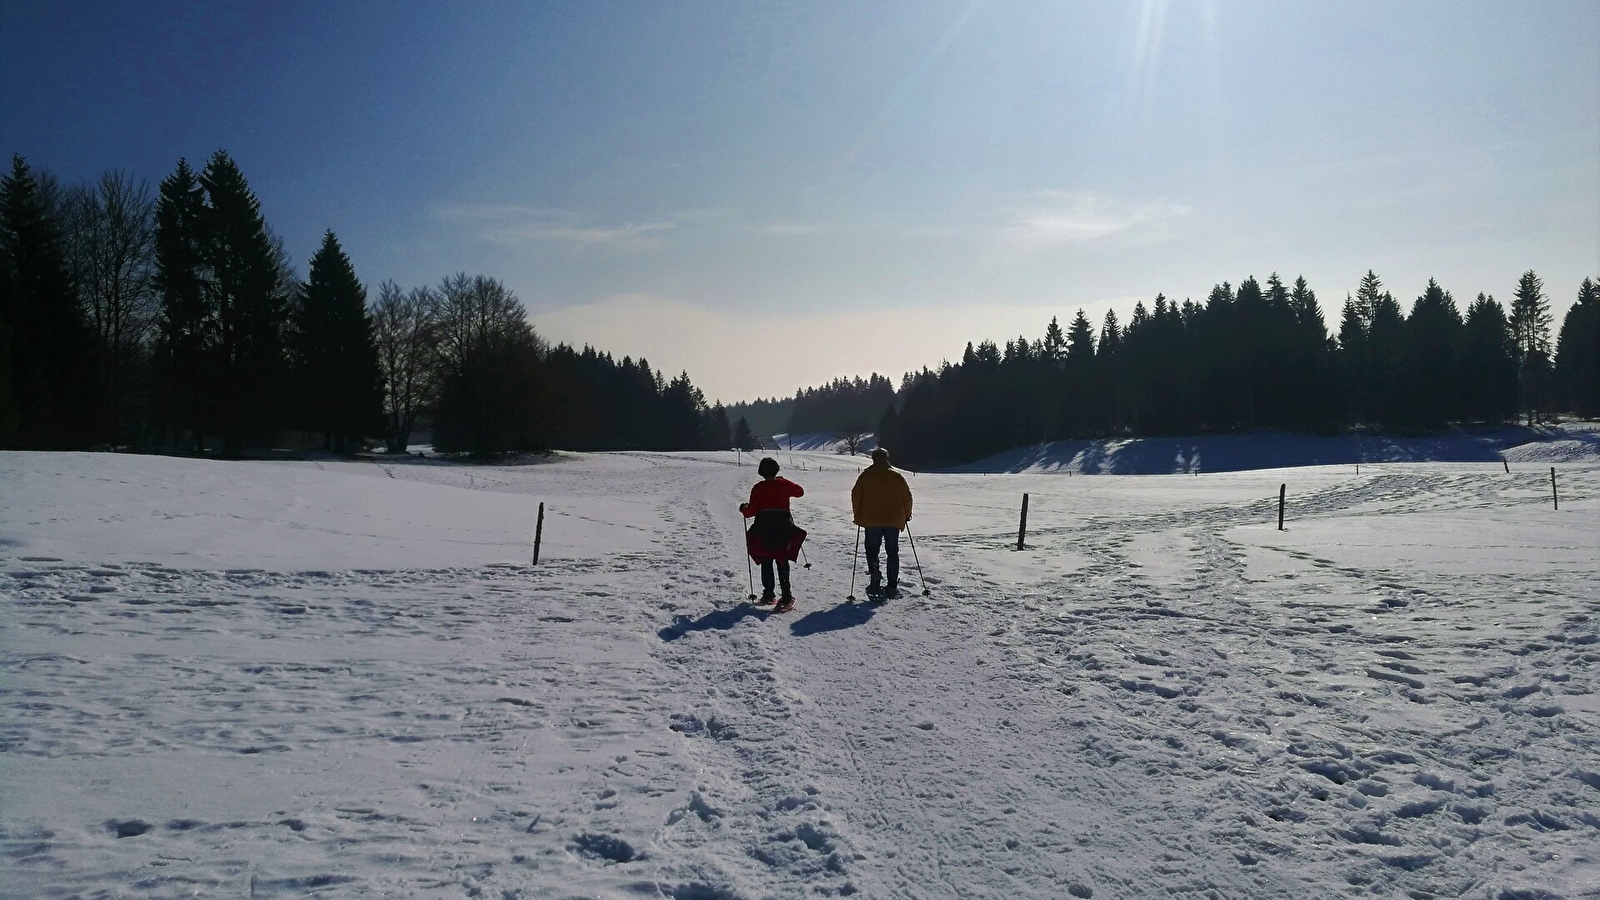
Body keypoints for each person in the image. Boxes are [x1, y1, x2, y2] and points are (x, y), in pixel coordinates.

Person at [741, 457, 806, 612]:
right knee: (782, 558)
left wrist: (743, 508)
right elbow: (800, 492)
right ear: (776, 469)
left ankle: (768, 593)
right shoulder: (783, 484)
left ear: (761, 472)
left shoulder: (758, 488)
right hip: (783, 526)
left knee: (766, 558)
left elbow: (751, 512)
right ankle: (786, 596)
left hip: (764, 526)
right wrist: (784, 482)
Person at [851, 447, 913, 596]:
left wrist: (857, 515)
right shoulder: (896, 476)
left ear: (873, 459)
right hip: (893, 520)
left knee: (872, 550)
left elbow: (856, 496)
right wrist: (907, 515)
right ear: (886, 458)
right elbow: (907, 497)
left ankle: (875, 574)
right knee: (892, 552)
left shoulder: (866, 476)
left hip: (871, 520)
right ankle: (892, 586)